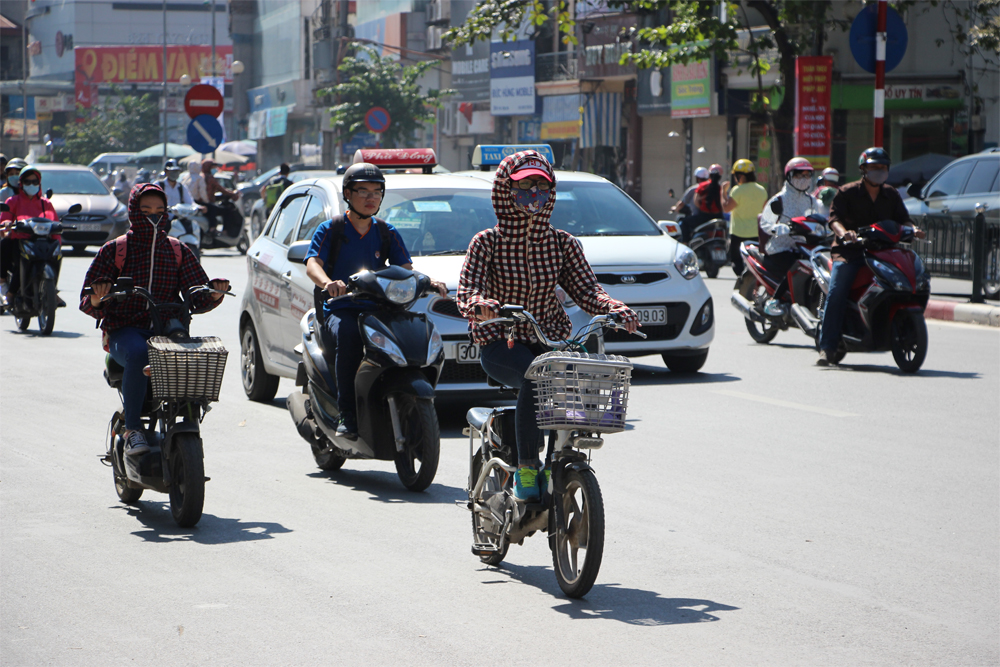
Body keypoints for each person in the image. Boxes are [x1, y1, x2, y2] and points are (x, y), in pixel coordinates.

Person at [456, 150, 639, 503]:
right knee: (535, 376)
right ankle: (526, 467)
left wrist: (616, 308)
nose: (534, 194)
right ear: (506, 190)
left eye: (541, 185)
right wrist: (481, 307)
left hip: (550, 338)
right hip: (500, 342)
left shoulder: (562, 244)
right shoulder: (487, 242)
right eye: (525, 186)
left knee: (577, 377)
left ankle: (560, 456)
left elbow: (588, 290)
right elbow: (469, 288)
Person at [80, 183, 230, 456]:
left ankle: (186, 422)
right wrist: (98, 297)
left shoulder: (177, 250)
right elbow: (87, 301)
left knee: (197, 359)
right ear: (134, 211)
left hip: (169, 333)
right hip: (125, 332)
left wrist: (215, 292)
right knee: (139, 353)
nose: (153, 216)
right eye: (146, 210)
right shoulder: (115, 250)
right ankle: (133, 429)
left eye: (160, 211)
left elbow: (198, 295)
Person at [305, 162, 445, 439]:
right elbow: (313, 264)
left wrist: (427, 281)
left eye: (377, 192)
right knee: (349, 338)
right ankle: (347, 412)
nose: (371, 198)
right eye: (363, 191)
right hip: (341, 309)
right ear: (348, 193)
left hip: (381, 309)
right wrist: (328, 283)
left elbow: (405, 269)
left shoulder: (386, 232)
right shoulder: (331, 229)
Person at [817, 147, 925, 366]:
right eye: (874, 167)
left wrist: (912, 230)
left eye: (883, 167)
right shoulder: (847, 191)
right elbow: (834, 219)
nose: (879, 171)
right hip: (850, 253)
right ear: (863, 169)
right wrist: (844, 233)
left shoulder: (891, 194)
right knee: (837, 292)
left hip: (883, 251)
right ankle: (827, 347)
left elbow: (904, 219)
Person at [758, 157, 821, 317]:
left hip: (805, 246)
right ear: (789, 177)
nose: (804, 179)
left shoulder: (812, 201)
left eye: (807, 176)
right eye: (799, 175)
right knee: (796, 267)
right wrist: (776, 228)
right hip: (780, 247)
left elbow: (818, 219)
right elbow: (765, 222)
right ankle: (775, 300)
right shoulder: (779, 200)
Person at [1, 165, 58, 304]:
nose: (31, 185)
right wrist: (8, 223)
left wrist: (58, 238)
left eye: (35, 182)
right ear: (21, 183)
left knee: (56, 256)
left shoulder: (46, 203)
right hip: (20, 240)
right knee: (21, 259)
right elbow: (4, 219)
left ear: (39, 184)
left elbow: (54, 221)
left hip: (42, 241)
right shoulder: (13, 201)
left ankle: (52, 291)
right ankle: (10, 293)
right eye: (27, 182)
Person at [721, 159, 768, 275]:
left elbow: (726, 208)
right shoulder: (761, 190)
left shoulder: (737, 190)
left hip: (738, 233)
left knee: (736, 261)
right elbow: (766, 210)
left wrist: (723, 193)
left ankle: (742, 279)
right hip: (756, 233)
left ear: (740, 176)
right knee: (756, 261)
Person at [192, 159, 241, 237]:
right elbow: (221, 189)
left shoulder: (201, 176)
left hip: (200, 203)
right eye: (212, 167)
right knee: (227, 211)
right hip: (207, 204)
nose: (214, 169)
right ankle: (222, 231)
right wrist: (231, 193)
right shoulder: (209, 178)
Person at [683, 164, 725, 242]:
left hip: (703, 217)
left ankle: (685, 244)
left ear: (709, 175)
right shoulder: (721, 188)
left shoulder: (702, 186)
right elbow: (724, 204)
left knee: (684, 223)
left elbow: (696, 202)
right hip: (719, 217)